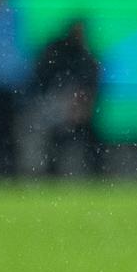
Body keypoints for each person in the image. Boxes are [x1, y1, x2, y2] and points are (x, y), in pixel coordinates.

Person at [31, 18, 102, 177]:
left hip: (78, 107)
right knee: (57, 138)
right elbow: (44, 79)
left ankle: (93, 173)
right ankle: (53, 172)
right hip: (55, 104)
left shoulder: (83, 56)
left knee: (87, 138)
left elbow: (91, 82)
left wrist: (80, 102)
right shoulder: (59, 53)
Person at [0, 0, 27, 178]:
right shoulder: (10, 11)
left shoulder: (11, 10)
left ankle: (7, 172)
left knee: (6, 131)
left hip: (6, 83)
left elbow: (16, 48)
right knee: (4, 132)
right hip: (3, 81)